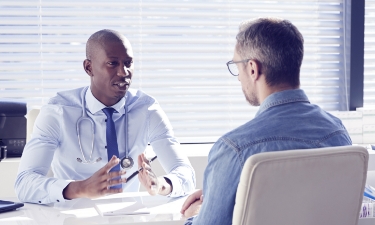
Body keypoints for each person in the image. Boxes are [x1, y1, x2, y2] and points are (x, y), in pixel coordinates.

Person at [180, 17, 352, 224]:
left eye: (237, 67)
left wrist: (198, 213)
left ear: (253, 69)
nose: (238, 78)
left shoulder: (233, 149)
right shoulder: (337, 133)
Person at [15, 29, 196, 204]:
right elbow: (24, 184)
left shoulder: (147, 109)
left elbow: (186, 174)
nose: (124, 72)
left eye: (128, 63)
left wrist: (161, 185)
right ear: (89, 67)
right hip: (72, 218)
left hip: (128, 218)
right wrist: (80, 188)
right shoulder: (58, 112)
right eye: (113, 63)